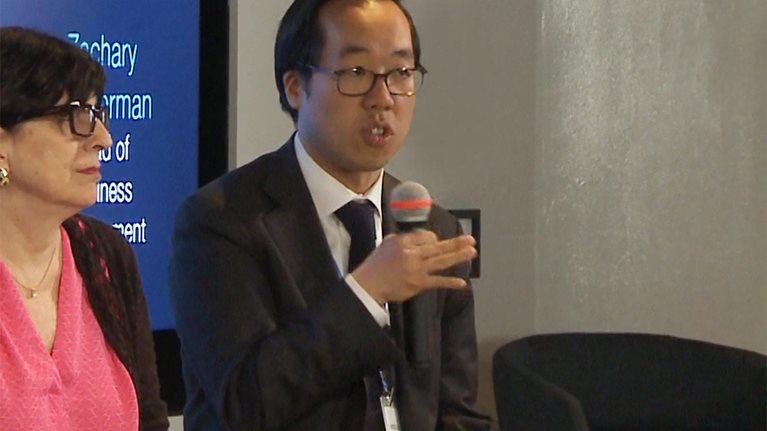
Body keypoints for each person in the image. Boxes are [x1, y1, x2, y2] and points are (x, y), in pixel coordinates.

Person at [169, 0, 492, 429]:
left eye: (400, 73)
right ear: (295, 87)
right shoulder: (221, 221)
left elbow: (457, 411)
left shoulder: (433, 228)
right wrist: (366, 291)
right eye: (356, 73)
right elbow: (244, 403)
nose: (383, 99)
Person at [0, 27, 168, 430]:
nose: (103, 140)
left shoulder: (103, 253)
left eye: (97, 116)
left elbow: (149, 420)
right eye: (75, 118)